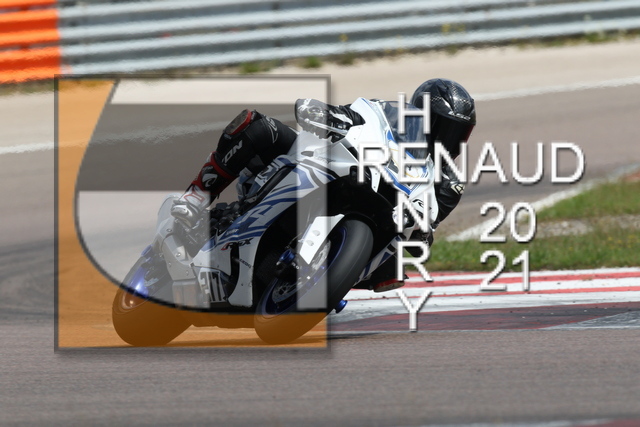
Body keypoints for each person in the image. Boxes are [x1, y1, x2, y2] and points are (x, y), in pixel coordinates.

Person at [171, 78, 476, 292]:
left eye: (458, 134)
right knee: (258, 125)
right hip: (334, 168)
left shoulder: (447, 182)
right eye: (444, 128)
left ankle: (328, 276)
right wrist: (328, 115)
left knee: (392, 270)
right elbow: (352, 116)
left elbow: (427, 224)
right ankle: (196, 197)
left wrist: (422, 231)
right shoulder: (386, 115)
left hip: (382, 216)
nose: (449, 140)